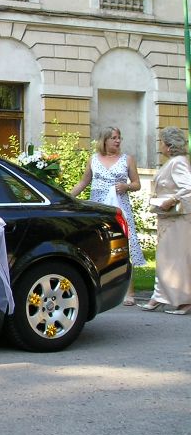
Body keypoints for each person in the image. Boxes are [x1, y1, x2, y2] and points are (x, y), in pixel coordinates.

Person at [70, 126, 145, 305]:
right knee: (99, 245)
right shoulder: (93, 159)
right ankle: (100, 289)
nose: (117, 141)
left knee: (125, 244)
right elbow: (83, 182)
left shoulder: (127, 159)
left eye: (119, 137)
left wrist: (126, 186)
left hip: (120, 207)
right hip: (99, 207)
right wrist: (67, 198)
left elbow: (137, 184)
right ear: (104, 140)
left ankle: (129, 292)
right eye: (114, 138)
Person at [139, 127, 191, 315]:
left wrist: (172, 199)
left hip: (178, 221)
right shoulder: (173, 162)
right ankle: (159, 297)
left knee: (176, 261)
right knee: (166, 260)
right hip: (168, 220)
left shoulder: (178, 163)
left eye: (161, 142)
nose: (159, 145)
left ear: (169, 145)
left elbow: (188, 187)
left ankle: (184, 301)